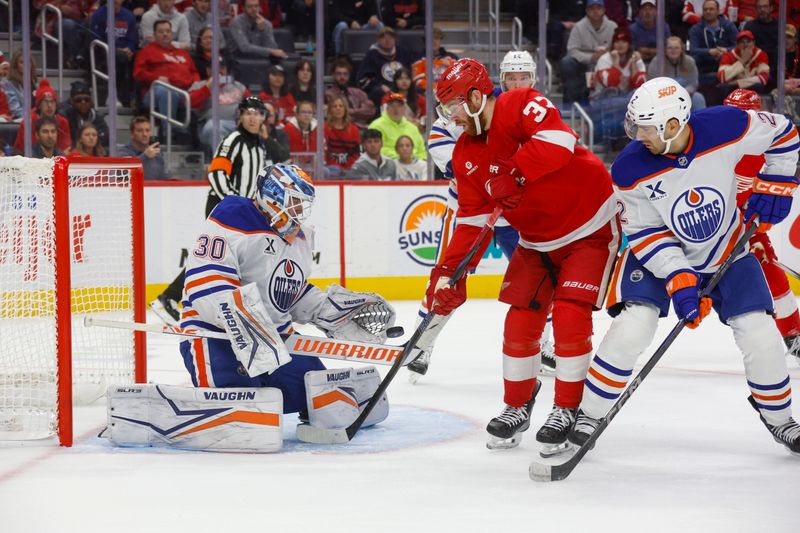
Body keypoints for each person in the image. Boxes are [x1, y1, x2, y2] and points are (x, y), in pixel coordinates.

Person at [567, 77, 800, 456]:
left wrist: (778, 180)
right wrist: (678, 277)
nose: (636, 134)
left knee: (761, 334)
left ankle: (780, 419)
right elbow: (643, 232)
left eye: (644, 127)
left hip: (726, 248)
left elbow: (784, 134)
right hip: (662, 255)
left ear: (672, 125)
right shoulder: (629, 168)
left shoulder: (727, 124)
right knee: (633, 325)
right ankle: (590, 414)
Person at [429, 58, 619, 453]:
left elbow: (559, 143)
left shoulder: (519, 103)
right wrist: (448, 273)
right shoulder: (465, 153)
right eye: (446, 110)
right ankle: (517, 404)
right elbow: (472, 220)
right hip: (536, 240)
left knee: (568, 315)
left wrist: (515, 173)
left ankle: (568, 408)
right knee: (519, 321)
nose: (451, 117)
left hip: (590, 227)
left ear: (477, 97)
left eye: (454, 107)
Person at [177, 162, 393, 435]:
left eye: (303, 204)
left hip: (277, 343)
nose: (299, 211)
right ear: (272, 195)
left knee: (322, 396)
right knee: (245, 416)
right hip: (217, 338)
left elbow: (288, 293)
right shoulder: (233, 217)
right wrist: (246, 322)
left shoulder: (299, 238)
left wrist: (330, 310)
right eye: (294, 202)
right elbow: (206, 283)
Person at [406, 49, 557, 384]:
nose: (518, 83)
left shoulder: (528, 112)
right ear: (499, 79)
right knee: (448, 275)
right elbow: (441, 138)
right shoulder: (475, 102)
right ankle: (422, 341)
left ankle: (545, 342)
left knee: (541, 278)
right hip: (469, 210)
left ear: (534, 79)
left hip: (515, 215)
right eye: (512, 77)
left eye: (524, 77)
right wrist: (471, 172)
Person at [151, 97, 277, 324]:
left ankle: (171, 297)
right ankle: (169, 297)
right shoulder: (233, 141)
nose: (252, 117)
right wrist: (232, 204)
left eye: (257, 113)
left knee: (232, 259)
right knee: (218, 257)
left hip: (242, 210)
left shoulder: (259, 145)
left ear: (263, 118)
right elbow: (217, 174)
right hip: (225, 207)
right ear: (240, 115)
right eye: (248, 112)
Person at [724, 88, 800, 357]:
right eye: (735, 114)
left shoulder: (769, 150)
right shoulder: (712, 144)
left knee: (770, 267)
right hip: (703, 225)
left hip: (741, 224)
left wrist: (759, 217)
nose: (742, 120)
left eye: (747, 115)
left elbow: (774, 189)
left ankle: (794, 334)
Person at [133, 20, 201, 136]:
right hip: (156, 92)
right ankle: (169, 132)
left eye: (168, 31)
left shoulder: (183, 53)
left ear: (172, 34)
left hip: (184, 92)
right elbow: (138, 73)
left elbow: (194, 73)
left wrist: (196, 85)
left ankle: (197, 136)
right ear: (154, 34)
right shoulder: (146, 51)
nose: (165, 34)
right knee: (165, 90)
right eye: (161, 32)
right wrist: (156, 78)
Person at [559, 0, 618, 106]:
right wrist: (591, 57)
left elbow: (618, 48)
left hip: (607, 63)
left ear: (604, 10)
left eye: (598, 8)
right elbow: (572, 50)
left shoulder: (613, 26)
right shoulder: (578, 27)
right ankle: (569, 108)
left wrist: (606, 55)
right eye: (592, 8)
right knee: (567, 62)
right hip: (583, 63)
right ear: (587, 11)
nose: (595, 11)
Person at [90, 0, 138, 107]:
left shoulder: (129, 16)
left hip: (124, 52)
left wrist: (129, 49)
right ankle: (113, 95)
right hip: (103, 51)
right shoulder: (98, 15)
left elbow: (132, 39)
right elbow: (97, 39)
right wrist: (117, 49)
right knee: (119, 57)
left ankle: (133, 99)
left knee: (139, 58)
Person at [356, 26, 417, 109]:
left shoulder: (403, 52)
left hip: (404, 86)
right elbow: (363, 80)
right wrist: (379, 86)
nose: (387, 40)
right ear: (378, 40)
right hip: (383, 89)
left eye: (390, 37)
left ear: (395, 39)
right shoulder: (372, 55)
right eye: (383, 37)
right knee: (378, 93)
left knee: (418, 91)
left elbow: (414, 69)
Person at [688, 0, 738, 86]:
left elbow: (738, 46)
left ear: (718, 11)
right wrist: (709, 51)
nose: (708, 11)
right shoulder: (695, 29)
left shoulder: (729, 26)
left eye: (711, 9)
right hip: (704, 63)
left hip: (726, 62)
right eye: (705, 9)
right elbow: (692, 50)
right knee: (692, 59)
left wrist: (726, 50)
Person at [13, 79, 71, 154]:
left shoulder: (62, 122)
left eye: (52, 102)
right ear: (39, 105)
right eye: (45, 102)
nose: (50, 106)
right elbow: (19, 150)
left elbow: (66, 149)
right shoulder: (28, 122)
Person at [648, 36, 706, 109]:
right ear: (665, 50)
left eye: (676, 48)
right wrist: (668, 96)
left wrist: (683, 94)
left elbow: (693, 83)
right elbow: (651, 84)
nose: (673, 50)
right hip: (662, 97)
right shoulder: (657, 62)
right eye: (670, 48)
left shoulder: (689, 61)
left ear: (681, 49)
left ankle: (698, 120)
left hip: (685, 94)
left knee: (698, 98)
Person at [367, 92, 427, 161]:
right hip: (388, 164)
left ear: (404, 108)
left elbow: (422, 151)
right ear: (386, 108)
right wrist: (403, 157)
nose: (396, 109)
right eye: (392, 105)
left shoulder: (412, 128)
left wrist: (419, 160)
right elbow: (375, 149)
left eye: (399, 105)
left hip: (415, 165)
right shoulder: (376, 126)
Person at [592, 27, 647, 99]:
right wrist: (616, 63)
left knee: (638, 93)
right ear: (613, 44)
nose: (620, 45)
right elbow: (611, 83)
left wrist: (634, 64)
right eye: (617, 41)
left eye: (624, 42)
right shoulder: (604, 59)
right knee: (612, 91)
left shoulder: (635, 57)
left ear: (629, 45)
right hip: (602, 99)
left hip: (627, 98)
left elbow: (640, 84)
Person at [325, 58, 376, 129]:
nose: (342, 77)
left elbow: (371, 111)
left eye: (345, 74)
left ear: (349, 75)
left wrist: (347, 111)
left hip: (362, 128)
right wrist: (359, 112)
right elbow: (335, 114)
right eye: (338, 74)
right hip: (341, 128)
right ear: (333, 75)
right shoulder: (329, 94)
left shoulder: (358, 92)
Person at [717, 30, 770, 97]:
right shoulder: (729, 55)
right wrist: (742, 61)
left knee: (759, 86)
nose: (746, 45)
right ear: (737, 45)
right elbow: (722, 77)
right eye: (742, 42)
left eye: (748, 42)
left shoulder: (761, 55)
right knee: (724, 87)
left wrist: (738, 82)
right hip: (734, 89)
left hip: (750, 87)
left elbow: (764, 78)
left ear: (754, 43)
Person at [60, 81, 110, 151]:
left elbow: (104, 139)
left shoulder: (97, 117)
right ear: (71, 101)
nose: (83, 102)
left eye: (86, 99)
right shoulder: (65, 116)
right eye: (78, 100)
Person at [324, 95, 362, 177]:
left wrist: (347, 167)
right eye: (335, 106)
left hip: (350, 168)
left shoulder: (354, 129)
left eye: (341, 106)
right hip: (331, 168)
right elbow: (324, 153)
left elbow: (356, 153)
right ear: (330, 110)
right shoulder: (324, 129)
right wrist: (339, 167)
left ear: (345, 109)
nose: (338, 108)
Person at [411, 26, 459, 91]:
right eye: (431, 39)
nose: (434, 41)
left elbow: (458, 78)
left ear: (440, 40)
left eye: (436, 38)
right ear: (425, 41)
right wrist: (435, 89)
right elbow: (417, 80)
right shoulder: (418, 59)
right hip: (426, 93)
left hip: (448, 93)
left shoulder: (452, 58)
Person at [744, 0, 779, 86]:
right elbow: (745, 49)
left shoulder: (780, 25)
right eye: (759, 7)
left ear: (771, 8)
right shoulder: (750, 26)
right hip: (757, 66)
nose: (762, 9)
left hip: (777, 67)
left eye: (765, 6)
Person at [1, 51, 37, 120]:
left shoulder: (35, 84)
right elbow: (15, 109)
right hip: (19, 120)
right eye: (21, 62)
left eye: (28, 62)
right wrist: (32, 118)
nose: (25, 65)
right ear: (15, 65)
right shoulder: (8, 84)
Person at [284, 100, 317, 171]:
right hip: (292, 167)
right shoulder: (288, 129)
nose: (307, 115)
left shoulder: (317, 129)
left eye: (309, 112)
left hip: (312, 166)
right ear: (297, 114)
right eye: (303, 112)